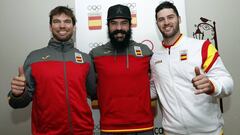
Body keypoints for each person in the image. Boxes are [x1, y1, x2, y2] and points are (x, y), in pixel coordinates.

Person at [8, 6, 96, 135]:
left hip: (83, 131)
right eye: (56, 21)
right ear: (50, 27)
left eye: (67, 21)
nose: (62, 26)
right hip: (46, 132)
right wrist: (17, 94)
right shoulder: (34, 57)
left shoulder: (85, 59)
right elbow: (18, 102)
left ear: (74, 26)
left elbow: (94, 92)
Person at [150, 1, 234, 135]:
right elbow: (155, 88)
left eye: (170, 17)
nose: (166, 22)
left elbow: (228, 83)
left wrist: (212, 85)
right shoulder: (155, 58)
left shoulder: (201, 47)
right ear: (157, 24)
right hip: (172, 132)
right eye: (161, 19)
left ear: (179, 19)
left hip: (209, 132)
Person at [89, 4, 154, 135]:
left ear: (130, 25)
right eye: (114, 23)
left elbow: (157, 82)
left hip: (144, 127)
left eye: (124, 23)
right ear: (108, 25)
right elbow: (91, 88)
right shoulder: (95, 54)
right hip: (110, 128)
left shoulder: (145, 51)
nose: (119, 28)